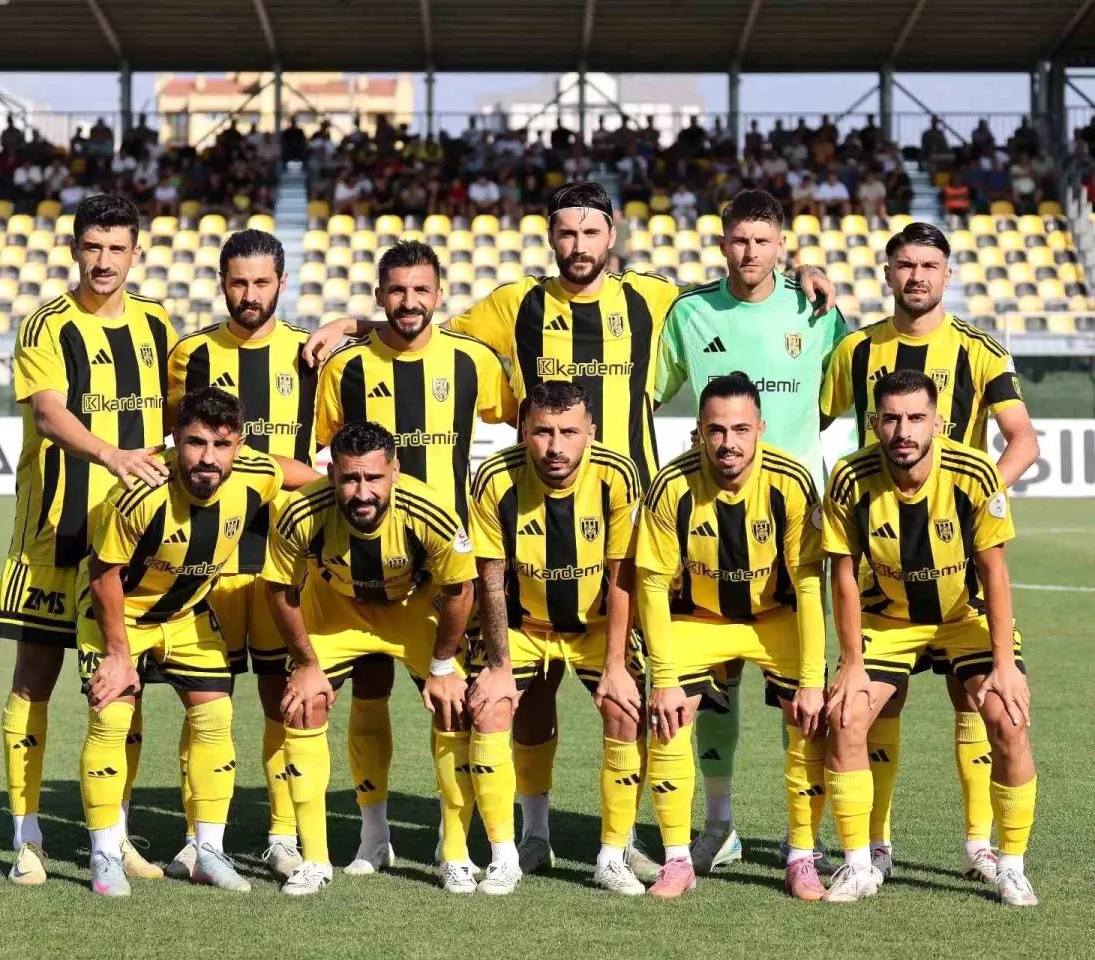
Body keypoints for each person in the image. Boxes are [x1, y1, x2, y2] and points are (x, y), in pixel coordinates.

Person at [301, 180, 836, 878]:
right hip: (533, 519)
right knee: (534, 692)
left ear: (611, 236)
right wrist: (354, 324)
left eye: (590, 233)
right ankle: (534, 833)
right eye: (566, 233)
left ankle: (644, 835)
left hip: (630, 527)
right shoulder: (516, 304)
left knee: (644, 690)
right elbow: (422, 325)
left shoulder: (653, 298)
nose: (578, 246)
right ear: (550, 237)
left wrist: (802, 276)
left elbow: (739, 287)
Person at [819, 221, 1038, 883]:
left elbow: (1023, 440)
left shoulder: (979, 350)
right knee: (875, 705)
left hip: (959, 565)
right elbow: (809, 421)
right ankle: (875, 847)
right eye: (905, 265)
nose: (916, 276)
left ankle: (980, 846)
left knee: (978, 702)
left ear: (947, 274)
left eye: (928, 265)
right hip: (881, 561)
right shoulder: (856, 350)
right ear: (888, 272)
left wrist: (973, 501)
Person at [652, 188, 848, 874]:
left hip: (794, 523)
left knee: (804, 692)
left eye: (762, 241)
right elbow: (646, 390)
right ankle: (720, 823)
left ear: (782, 246)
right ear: (721, 243)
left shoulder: (816, 310)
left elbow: (842, 392)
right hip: (710, 516)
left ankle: (805, 839)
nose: (749, 252)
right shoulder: (690, 312)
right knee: (714, 684)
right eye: (738, 239)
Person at [313, 239, 516, 879]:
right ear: (379, 295)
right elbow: (325, 457)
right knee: (368, 694)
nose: (408, 301)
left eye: (420, 289)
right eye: (396, 290)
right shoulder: (345, 368)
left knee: (451, 704)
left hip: (445, 572)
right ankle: (373, 838)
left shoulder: (472, 361)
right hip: (361, 565)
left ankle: (453, 847)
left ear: (439, 294)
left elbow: (530, 422)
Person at [0, 195, 176, 887]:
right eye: (93, 247)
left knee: (122, 688)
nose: (104, 261)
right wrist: (111, 454)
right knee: (35, 680)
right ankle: (26, 836)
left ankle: (116, 833)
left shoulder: (156, 324)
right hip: (55, 534)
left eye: (116, 248)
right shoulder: (46, 324)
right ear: (75, 249)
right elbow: (48, 414)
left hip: (130, 542)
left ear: (137, 253)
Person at [76, 386, 311, 896]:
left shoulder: (252, 472)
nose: (208, 458)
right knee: (111, 717)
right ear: (175, 439)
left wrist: (336, 490)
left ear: (239, 446)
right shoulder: (141, 491)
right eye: (196, 442)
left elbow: (289, 471)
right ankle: (105, 853)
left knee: (215, 716)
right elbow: (103, 575)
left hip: (185, 615)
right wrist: (118, 656)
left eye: (221, 445)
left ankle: (208, 853)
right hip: (119, 615)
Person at [262, 421, 480, 897]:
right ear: (332, 474)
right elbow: (279, 589)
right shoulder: (302, 512)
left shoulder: (429, 510)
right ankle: (324, 856)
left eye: (373, 478)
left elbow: (460, 590)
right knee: (303, 705)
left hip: (410, 609)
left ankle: (455, 853)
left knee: (454, 707)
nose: (362, 492)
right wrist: (306, 664)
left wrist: (443, 666)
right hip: (336, 609)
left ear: (394, 472)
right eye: (349, 478)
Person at [165, 230, 321, 882]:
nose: (249, 294)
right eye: (238, 282)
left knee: (282, 698)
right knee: (206, 702)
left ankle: (282, 834)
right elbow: (177, 445)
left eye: (261, 282)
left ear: (281, 282)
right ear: (222, 283)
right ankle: (199, 837)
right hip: (210, 560)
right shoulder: (190, 355)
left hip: (284, 561)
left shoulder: (313, 356)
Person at [636, 373, 828, 900]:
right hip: (699, 618)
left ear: (760, 428)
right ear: (699, 430)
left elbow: (809, 584)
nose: (729, 443)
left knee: (808, 718)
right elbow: (651, 584)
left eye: (741, 429)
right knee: (670, 716)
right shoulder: (672, 485)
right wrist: (664, 679)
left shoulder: (791, 481)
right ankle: (680, 858)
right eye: (717, 430)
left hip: (775, 619)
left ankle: (802, 855)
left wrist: (812, 681)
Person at [469, 381, 646, 895]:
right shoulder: (495, 477)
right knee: (493, 708)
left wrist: (616, 665)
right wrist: (499, 667)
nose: (554, 446)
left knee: (626, 709)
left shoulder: (617, 474)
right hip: (524, 627)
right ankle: (514, 850)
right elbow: (491, 579)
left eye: (568, 432)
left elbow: (622, 576)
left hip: (595, 627)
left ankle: (612, 855)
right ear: (524, 430)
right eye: (542, 431)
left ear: (590, 432)